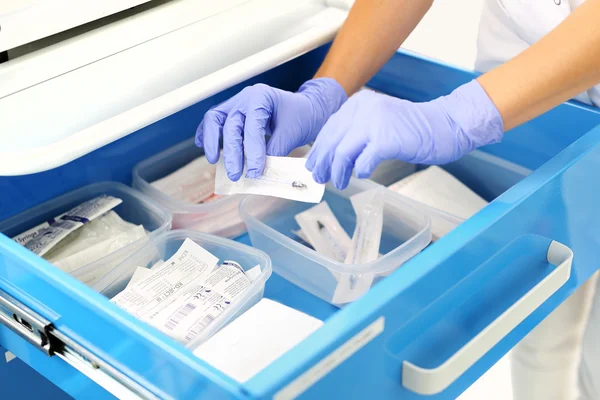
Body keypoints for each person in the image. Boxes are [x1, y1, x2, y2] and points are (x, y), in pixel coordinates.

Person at [197, 0, 600, 398]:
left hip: (520, 103)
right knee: (540, 318)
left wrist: (457, 116)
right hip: (522, 91)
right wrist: (327, 89)